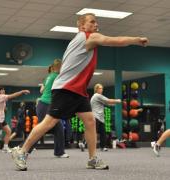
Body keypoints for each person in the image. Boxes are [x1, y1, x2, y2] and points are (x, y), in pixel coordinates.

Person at [11, 13, 148, 171]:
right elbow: (115, 40)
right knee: (49, 123)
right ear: (82, 26)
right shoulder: (88, 37)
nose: (95, 24)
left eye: (96, 22)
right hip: (66, 89)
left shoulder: (78, 40)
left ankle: (92, 159)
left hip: (78, 90)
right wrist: (136, 40)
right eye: (92, 22)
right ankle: (21, 152)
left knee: (90, 121)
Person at [28, 59, 69, 157]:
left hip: (44, 105)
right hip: (46, 105)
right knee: (41, 130)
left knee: (59, 128)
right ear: (58, 67)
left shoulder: (49, 76)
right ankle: (23, 149)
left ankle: (59, 152)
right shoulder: (56, 76)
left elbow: (42, 90)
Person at [0, 87, 30, 153]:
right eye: (2, 90)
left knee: (8, 131)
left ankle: (5, 147)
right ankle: (5, 147)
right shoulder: (0, 96)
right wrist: (22, 91)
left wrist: (4, 109)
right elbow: (13, 95)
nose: (4, 90)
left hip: (1, 118)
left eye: (4, 89)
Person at [91, 83, 121, 151]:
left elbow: (107, 103)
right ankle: (85, 144)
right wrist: (117, 101)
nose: (102, 90)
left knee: (103, 133)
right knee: (93, 133)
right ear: (96, 89)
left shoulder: (96, 97)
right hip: (96, 117)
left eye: (102, 88)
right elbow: (108, 100)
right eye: (100, 88)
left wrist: (113, 104)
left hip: (100, 118)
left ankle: (102, 146)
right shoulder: (97, 96)